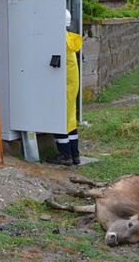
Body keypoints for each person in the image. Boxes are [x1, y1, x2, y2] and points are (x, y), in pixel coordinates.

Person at [46, 9, 82, 166]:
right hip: (71, 86)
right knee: (70, 120)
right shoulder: (68, 38)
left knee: (59, 119)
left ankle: (65, 155)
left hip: (63, 86)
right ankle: (75, 155)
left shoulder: (57, 40)